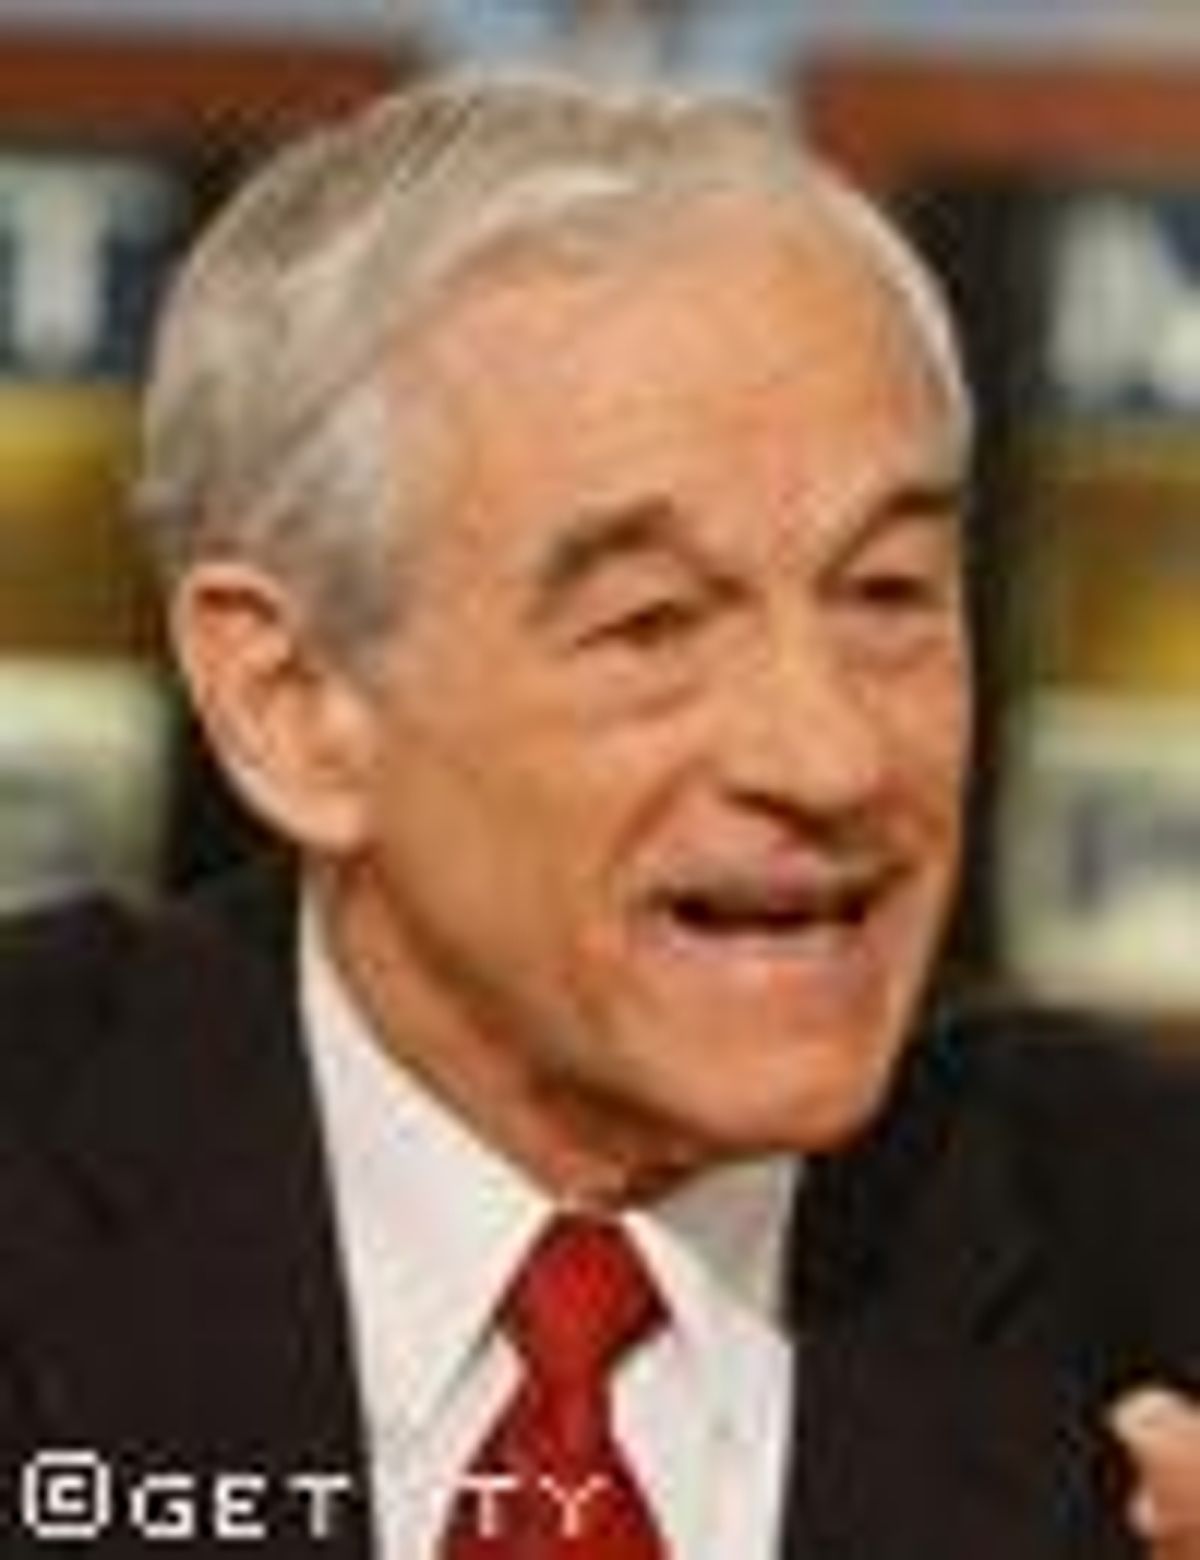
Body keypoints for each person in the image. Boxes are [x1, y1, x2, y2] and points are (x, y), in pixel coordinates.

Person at [0, 69, 1197, 1559]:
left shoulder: (1149, 1255)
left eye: (888, 594)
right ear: (291, 701)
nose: (828, 758)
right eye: (652, 623)